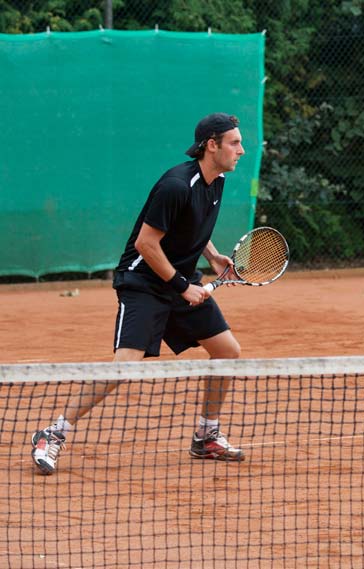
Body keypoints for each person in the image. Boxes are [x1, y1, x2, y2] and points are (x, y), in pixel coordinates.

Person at [31, 113, 248, 474]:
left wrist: (211, 256)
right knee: (125, 366)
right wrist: (183, 288)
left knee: (227, 351)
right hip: (145, 284)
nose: (241, 149)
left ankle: (206, 436)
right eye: (234, 142)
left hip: (181, 278)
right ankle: (51, 433)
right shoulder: (176, 185)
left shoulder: (216, 180)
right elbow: (146, 243)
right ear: (212, 145)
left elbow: (190, 223)